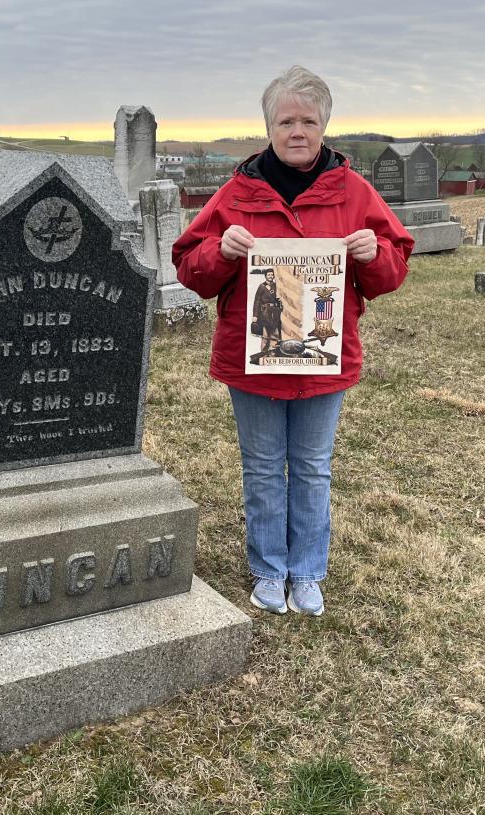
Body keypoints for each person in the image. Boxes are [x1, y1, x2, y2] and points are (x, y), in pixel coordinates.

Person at [172, 65, 413, 616]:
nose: (297, 130)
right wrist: (221, 251)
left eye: (307, 120)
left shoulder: (355, 193)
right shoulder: (236, 193)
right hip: (251, 356)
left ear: (324, 125)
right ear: (269, 127)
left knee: (311, 466)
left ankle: (306, 571)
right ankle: (267, 569)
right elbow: (190, 267)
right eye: (286, 120)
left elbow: (393, 265)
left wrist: (376, 256)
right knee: (261, 466)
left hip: (324, 356)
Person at [251, 269, 283, 352]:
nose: (270, 276)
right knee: (265, 336)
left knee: (275, 335)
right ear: (265, 276)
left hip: (275, 314)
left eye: (272, 275)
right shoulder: (261, 286)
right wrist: (255, 316)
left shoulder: (276, 286)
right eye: (269, 275)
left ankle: (273, 355)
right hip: (264, 314)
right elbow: (257, 301)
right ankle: (263, 355)